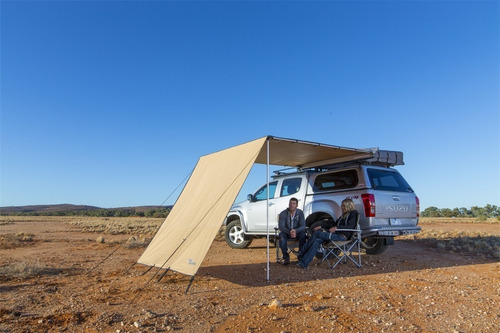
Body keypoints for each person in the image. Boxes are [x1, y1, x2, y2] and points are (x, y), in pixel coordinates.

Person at [297, 198, 358, 269]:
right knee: (317, 240)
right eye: (342, 206)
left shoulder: (353, 213)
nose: (342, 207)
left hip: (342, 237)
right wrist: (322, 226)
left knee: (317, 233)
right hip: (336, 235)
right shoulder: (343, 216)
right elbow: (333, 224)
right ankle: (304, 263)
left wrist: (337, 228)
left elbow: (350, 226)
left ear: (349, 206)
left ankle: (301, 252)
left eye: (344, 206)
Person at [278, 197, 306, 265]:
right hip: (287, 233)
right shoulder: (283, 213)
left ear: (297, 205)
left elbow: (303, 226)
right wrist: (290, 232)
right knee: (281, 235)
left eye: (294, 203)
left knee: (303, 235)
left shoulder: (300, 213)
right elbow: (281, 227)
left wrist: (295, 231)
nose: (291, 205)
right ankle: (286, 258)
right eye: (290, 203)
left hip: (297, 233)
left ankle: (300, 257)